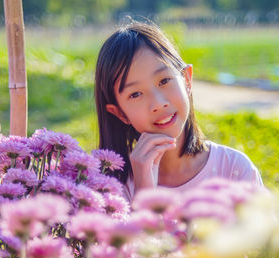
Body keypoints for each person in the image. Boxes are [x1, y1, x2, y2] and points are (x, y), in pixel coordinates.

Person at [94, 20, 263, 201]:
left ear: (187, 80)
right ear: (120, 113)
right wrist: (144, 194)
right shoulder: (112, 190)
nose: (158, 104)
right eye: (136, 94)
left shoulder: (233, 169)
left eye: (164, 81)